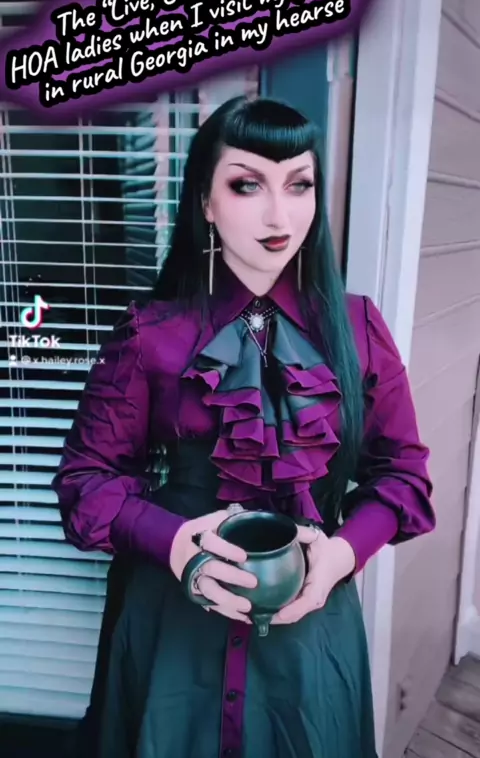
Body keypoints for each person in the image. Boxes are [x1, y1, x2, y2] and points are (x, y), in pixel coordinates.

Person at [52, 96, 436, 758]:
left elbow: (403, 476)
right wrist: (178, 545)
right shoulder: (149, 335)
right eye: (247, 185)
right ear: (205, 201)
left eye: (299, 185)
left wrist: (341, 555)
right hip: (172, 632)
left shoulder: (360, 330)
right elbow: (86, 483)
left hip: (308, 634)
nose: (279, 215)